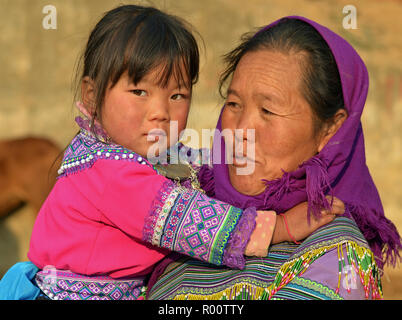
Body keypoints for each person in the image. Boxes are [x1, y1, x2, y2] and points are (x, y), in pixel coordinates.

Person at [0, 6, 341, 300]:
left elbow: (205, 168)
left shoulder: (139, 149)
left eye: (177, 95)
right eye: (139, 91)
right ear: (91, 96)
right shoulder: (110, 172)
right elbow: (185, 218)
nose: (160, 111)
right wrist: (280, 226)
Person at [146, 16, 402, 300]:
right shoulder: (188, 211)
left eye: (268, 111)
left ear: (330, 130)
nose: (240, 130)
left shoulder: (338, 258)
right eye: (233, 104)